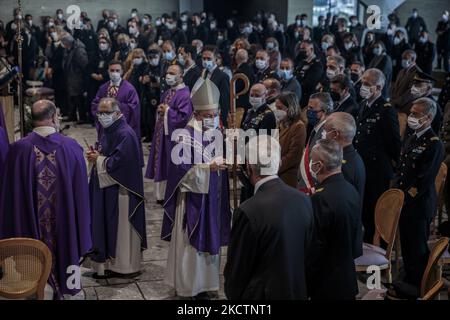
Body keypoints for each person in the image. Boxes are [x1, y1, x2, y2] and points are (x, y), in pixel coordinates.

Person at [0, 100, 92, 299]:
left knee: (32, 267)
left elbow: (10, 197)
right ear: (54, 117)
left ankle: (37, 287)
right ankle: (67, 288)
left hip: (32, 232)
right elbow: (81, 195)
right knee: (67, 250)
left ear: (31, 119)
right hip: (65, 228)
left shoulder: (17, 151)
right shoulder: (72, 148)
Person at [163, 78, 231, 299]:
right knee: (190, 248)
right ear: (197, 114)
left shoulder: (214, 134)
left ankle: (207, 285)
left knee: (211, 239)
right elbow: (179, 172)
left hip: (212, 199)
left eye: (215, 115)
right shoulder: (184, 136)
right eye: (208, 116)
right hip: (192, 200)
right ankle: (189, 287)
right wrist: (208, 168)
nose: (212, 120)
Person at [225, 134, 313, 300]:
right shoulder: (304, 200)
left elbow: (237, 270)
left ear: (248, 167)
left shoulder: (247, 211)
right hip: (297, 291)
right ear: (278, 163)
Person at [88, 98, 147, 279]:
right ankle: (108, 264)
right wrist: (96, 155)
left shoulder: (125, 134)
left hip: (123, 193)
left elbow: (122, 165)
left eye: (106, 113)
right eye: (100, 113)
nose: (102, 116)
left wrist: (97, 159)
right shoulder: (109, 129)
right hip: (110, 189)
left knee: (121, 230)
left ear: (117, 112)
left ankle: (124, 267)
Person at [393, 98, 444, 287]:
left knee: (416, 247)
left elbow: (424, 180)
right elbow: (402, 168)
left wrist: (405, 197)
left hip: (418, 204)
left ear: (428, 118)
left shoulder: (433, 144)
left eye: (416, 114)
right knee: (407, 244)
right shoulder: (413, 136)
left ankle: (419, 286)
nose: (411, 117)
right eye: (411, 113)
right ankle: (408, 280)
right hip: (404, 200)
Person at [307, 139, 362, 300]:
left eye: (312, 159)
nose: (310, 163)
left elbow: (315, 246)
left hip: (326, 282)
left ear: (320, 165)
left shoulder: (321, 198)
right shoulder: (350, 189)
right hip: (346, 277)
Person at [354, 69, 401, 243]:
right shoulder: (364, 104)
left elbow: (394, 144)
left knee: (374, 216)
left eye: (367, 84)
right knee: (364, 213)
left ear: (378, 87)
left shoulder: (386, 110)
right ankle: (365, 250)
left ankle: (377, 256)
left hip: (377, 171)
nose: (362, 87)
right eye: (362, 82)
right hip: (363, 166)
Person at [146, 64, 193, 204]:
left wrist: (167, 111)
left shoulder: (184, 94)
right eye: (167, 73)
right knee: (160, 162)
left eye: (172, 73)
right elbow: (163, 109)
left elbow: (184, 117)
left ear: (181, 76)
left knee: (169, 163)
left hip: (174, 137)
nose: (168, 76)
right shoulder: (168, 92)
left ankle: (170, 193)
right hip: (162, 133)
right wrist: (161, 110)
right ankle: (161, 195)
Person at [91, 60, 141, 146]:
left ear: (122, 71)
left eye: (117, 71)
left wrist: (117, 105)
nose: (114, 73)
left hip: (122, 128)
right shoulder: (103, 88)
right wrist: (102, 111)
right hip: (106, 127)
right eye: (112, 70)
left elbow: (134, 107)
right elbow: (95, 105)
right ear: (108, 71)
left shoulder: (129, 89)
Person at [322, 112, 366, 198]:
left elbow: (336, 198)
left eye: (325, 131)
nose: (323, 134)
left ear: (335, 134)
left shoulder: (342, 165)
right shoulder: (353, 157)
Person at [298, 92, 333, 194]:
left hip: (312, 187)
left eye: (312, 109)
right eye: (308, 108)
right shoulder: (316, 128)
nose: (308, 111)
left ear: (324, 111)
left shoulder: (325, 132)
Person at [275, 92, 306, 187]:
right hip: (276, 172)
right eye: (276, 108)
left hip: (287, 175)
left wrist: (275, 167)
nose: (277, 111)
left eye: (280, 108)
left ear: (290, 107)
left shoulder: (299, 126)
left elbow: (294, 155)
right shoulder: (280, 123)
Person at [199, 45, 230, 127]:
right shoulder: (203, 73)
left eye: (209, 59)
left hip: (215, 116)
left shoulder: (223, 76)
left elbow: (224, 102)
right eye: (204, 58)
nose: (205, 61)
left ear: (216, 59)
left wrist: (222, 122)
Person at [61, 33, 89, 123]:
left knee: (78, 98)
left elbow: (84, 64)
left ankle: (82, 117)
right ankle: (72, 115)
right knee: (72, 97)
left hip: (77, 77)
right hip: (71, 76)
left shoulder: (79, 49)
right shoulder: (69, 48)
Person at [294, 40, 324, 107]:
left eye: (304, 49)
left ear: (311, 49)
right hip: (297, 94)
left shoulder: (317, 64)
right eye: (300, 49)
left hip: (306, 98)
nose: (301, 51)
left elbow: (309, 84)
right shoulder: (301, 61)